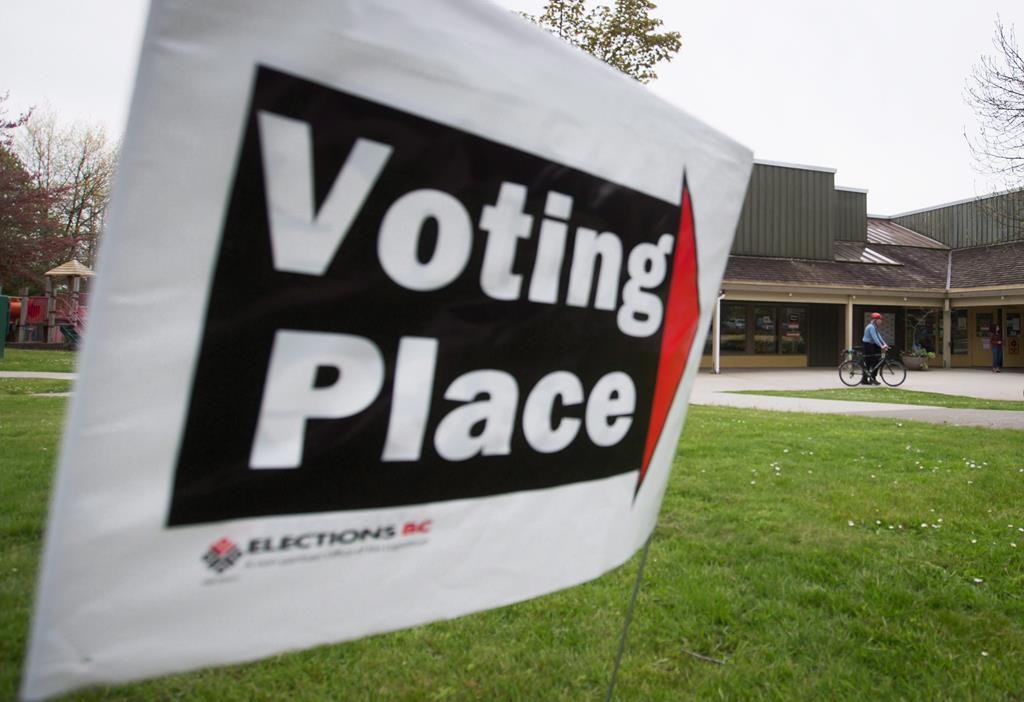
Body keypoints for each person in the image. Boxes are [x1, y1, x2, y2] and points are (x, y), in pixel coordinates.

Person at [861, 312, 889, 385]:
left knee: (875, 362)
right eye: (879, 319)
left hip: (872, 345)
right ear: (875, 320)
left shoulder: (875, 327)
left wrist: (884, 343)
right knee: (871, 362)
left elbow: (879, 336)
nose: (881, 321)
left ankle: (870, 378)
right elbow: (875, 338)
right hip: (868, 345)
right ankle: (868, 379)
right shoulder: (871, 327)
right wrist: (881, 346)